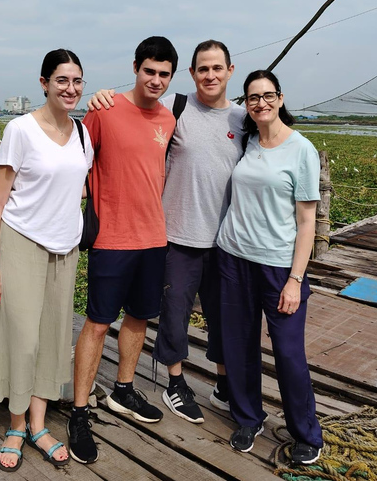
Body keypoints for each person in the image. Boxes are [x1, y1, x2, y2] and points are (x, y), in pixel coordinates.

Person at [88, 40, 246, 424]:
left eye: (217, 68)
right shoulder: (175, 106)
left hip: (225, 239)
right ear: (190, 74)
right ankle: (175, 383)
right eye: (202, 69)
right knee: (173, 315)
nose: (210, 75)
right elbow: (134, 105)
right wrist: (100, 94)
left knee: (225, 316)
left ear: (230, 70)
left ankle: (225, 385)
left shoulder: (244, 118)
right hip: (174, 233)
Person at [67, 36, 178, 464]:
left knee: (138, 316)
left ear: (171, 76)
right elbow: (76, 159)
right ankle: (79, 412)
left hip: (154, 237)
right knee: (97, 323)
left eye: (163, 74)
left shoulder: (168, 119)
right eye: (149, 71)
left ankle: (124, 390)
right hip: (112, 237)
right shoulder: (104, 108)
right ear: (135, 67)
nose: (155, 80)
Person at [0, 48, 93, 472]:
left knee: (52, 338)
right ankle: (15, 425)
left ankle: (39, 424)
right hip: (21, 243)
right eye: (62, 80)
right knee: (22, 338)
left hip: (66, 248)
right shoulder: (20, 130)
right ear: (44, 83)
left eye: (77, 81)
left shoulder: (84, 134)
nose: (71, 88)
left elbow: (79, 188)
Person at [216, 69, 324, 464]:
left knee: (289, 353)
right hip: (233, 258)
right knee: (239, 344)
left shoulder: (301, 150)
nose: (260, 102)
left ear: (280, 98)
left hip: (279, 267)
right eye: (252, 97)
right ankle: (248, 417)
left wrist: (295, 280)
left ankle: (307, 433)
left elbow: (307, 221)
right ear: (246, 104)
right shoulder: (246, 142)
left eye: (267, 95)